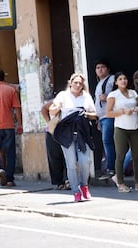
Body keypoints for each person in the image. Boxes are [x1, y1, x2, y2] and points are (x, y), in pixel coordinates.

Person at [50, 73, 98, 202]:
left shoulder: (86, 97)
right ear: (70, 83)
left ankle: (84, 185)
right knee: (71, 164)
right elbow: (52, 110)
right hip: (67, 132)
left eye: (80, 83)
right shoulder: (63, 95)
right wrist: (58, 107)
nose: (78, 85)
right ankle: (76, 191)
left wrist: (85, 113)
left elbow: (94, 114)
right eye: (75, 82)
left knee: (85, 161)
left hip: (83, 131)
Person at [105, 72, 138, 193]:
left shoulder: (133, 93)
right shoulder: (113, 95)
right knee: (120, 155)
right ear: (116, 82)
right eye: (120, 79)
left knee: (137, 155)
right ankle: (120, 183)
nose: (123, 81)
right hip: (121, 128)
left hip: (135, 127)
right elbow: (108, 113)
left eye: (125, 78)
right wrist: (123, 111)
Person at [93, 59, 116, 179]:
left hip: (109, 116)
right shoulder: (100, 82)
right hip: (102, 117)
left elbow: (118, 94)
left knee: (108, 142)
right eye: (97, 68)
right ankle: (109, 168)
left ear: (108, 69)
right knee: (106, 142)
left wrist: (107, 97)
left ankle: (111, 169)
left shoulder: (112, 79)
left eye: (102, 67)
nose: (99, 69)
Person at [41, 99, 68, 190]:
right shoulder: (59, 99)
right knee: (54, 157)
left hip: (67, 131)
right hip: (53, 130)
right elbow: (44, 108)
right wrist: (48, 122)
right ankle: (59, 182)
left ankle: (67, 180)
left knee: (68, 156)